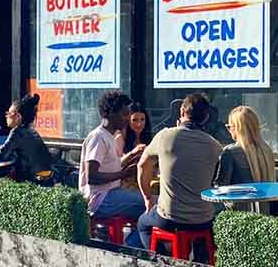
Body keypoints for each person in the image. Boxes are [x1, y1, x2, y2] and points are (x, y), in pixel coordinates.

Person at [136, 93, 222, 254]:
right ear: (205, 118)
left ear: (182, 112)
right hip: (203, 219)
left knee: (142, 224)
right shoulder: (214, 146)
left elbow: (142, 166)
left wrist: (147, 198)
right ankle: (201, 264)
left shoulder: (165, 136)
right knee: (204, 232)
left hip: (169, 218)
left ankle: (163, 264)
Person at [78, 91, 146, 222]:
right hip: (100, 199)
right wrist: (124, 174)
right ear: (110, 114)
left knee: (149, 206)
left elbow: (108, 168)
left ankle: (133, 240)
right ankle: (132, 242)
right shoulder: (98, 137)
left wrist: (131, 160)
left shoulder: (110, 136)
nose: (127, 119)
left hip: (110, 194)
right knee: (151, 205)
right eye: (124, 114)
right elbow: (92, 176)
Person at [215, 105, 277, 213]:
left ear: (237, 128)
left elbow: (220, 189)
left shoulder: (230, 152)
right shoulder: (266, 150)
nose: (229, 130)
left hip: (239, 216)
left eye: (229, 127)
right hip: (264, 213)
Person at [0, 94, 52, 184]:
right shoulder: (32, 131)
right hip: (46, 178)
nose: (6, 116)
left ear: (18, 117)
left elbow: (2, 156)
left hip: (32, 181)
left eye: (9, 113)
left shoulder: (17, 132)